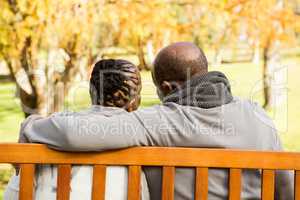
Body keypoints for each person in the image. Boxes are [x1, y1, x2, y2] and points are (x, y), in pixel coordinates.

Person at [18, 42, 293, 199]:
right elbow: (286, 190)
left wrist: (31, 125)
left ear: (168, 88)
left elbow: (73, 135)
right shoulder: (258, 115)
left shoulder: (159, 122)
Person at [4, 59, 149, 200]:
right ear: (134, 101)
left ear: (92, 93)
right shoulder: (146, 134)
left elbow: (13, 195)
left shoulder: (48, 132)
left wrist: (30, 123)